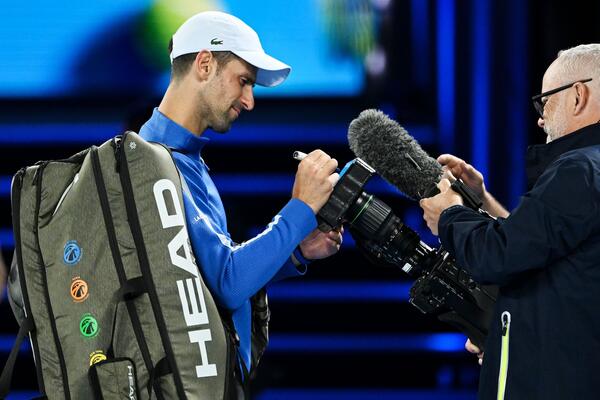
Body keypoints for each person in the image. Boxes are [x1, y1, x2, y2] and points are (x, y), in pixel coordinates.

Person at [138, 11, 343, 397]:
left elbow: (205, 281)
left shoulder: (183, 162)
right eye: (243, 81)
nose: (249, 101)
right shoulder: (151, 165)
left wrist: (295, 251)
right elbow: (229, 284)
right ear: (204, 64)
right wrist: (299, 209)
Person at [420, 43, 600, 399]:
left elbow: (498, 258)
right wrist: (482, 200)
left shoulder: (579, 168)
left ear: (578, 96)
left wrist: (450, 214)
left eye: (545, 100)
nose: (540, 117)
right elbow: (541, 249)